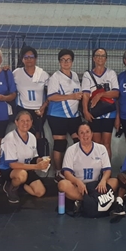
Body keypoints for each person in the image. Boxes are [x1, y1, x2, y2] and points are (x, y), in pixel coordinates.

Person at [57, 122, 119, 206]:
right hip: (78, 187)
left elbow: (107, 170)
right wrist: (78, 182)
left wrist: (103, 181)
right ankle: (96, 200)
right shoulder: (71, 150)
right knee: (62, 185)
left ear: (92, 133)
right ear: (78, 136)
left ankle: (85, 201)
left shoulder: (101, 148)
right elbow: (67, 173)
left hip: (97, 186)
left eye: (87, 132)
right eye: (81, 133)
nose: (85, 135)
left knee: (114, 182)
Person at [0, 111, 51, 203]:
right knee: (22, 175)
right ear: (16, 122)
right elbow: (13, 165)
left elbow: (34, 157)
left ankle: (20, 185)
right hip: (8, 169)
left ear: (31, 122)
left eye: (28, 120)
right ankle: (11, 187)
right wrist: (36, 167)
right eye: (22, 121)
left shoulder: (32, 137)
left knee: (40, 192)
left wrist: (41, 160)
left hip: (25, 167)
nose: (25, 123)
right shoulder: (10, 138)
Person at [47, 49, 83, 182]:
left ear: (72, 62)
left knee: (78, 141)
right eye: (63, 60)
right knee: (60, 143)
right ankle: (58, 172)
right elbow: (51, 97)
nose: (66, 62)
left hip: (74, 115)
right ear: (59, 62)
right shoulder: (55, 77)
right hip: (57, 115)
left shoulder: (74, 76)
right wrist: (71, 96)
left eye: (68, 60)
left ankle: (74, 170)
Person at [81, 47, 119, 159]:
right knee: (96, 143)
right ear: (93, 58)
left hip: (109, 113)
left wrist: (101, 94)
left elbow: (116, 93)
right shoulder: (87, 75)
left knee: (106, 143)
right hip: (95, 113)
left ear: (106, 59)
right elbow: (86, 95)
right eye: (97, 55)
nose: (100, 58)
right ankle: (97, 170)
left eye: (102, 56)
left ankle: (107, 170)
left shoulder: (111, 73)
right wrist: (85, 111)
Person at [13, 46, 50, 138]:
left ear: (36, 58)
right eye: (26, 57)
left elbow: (51, 94)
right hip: (22, 108)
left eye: (31, 57)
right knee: (22, 134)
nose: (29, 59)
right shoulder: (16, 73)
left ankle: (35, 152)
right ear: (22, 59)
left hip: (38, 110)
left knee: (37, 135)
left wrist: (44, 107)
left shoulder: (43, 74)